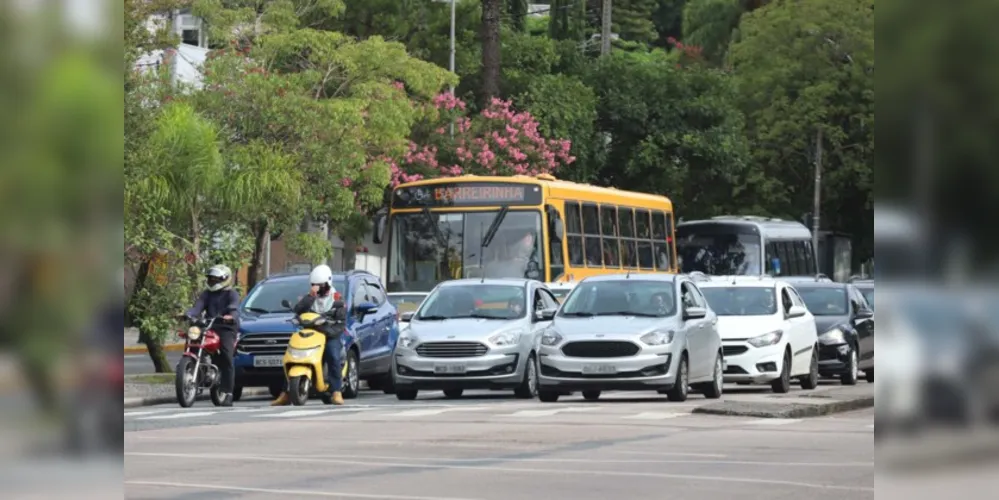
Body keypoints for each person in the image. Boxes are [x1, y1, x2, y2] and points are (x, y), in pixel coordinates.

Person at [271, 264, 347, 406]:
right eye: (314, 285)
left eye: (320, 285)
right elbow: (298, 310)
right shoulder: (309, 297)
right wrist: (311, 296)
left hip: (329, 334)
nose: (317, 288)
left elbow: (341, 324)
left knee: (332, 354)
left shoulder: (337, 299)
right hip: (309, 333)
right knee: (291, 354)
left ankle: (336, 391)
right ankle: (286, 393)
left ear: (328, 283)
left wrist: (327, 330)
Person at [184, 265, 240, 407]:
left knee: (227, 357)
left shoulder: (232, 293)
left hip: (226, 327)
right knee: (194, 343)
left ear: (225, 279)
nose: (212, 282)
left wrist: (230, 316)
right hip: (209, 325)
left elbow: (234, 307)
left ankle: (228, 393)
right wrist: (189, 314)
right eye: (210, 279)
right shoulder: (206, 294)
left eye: (216, 279)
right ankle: (196, 374)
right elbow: (198, 306)